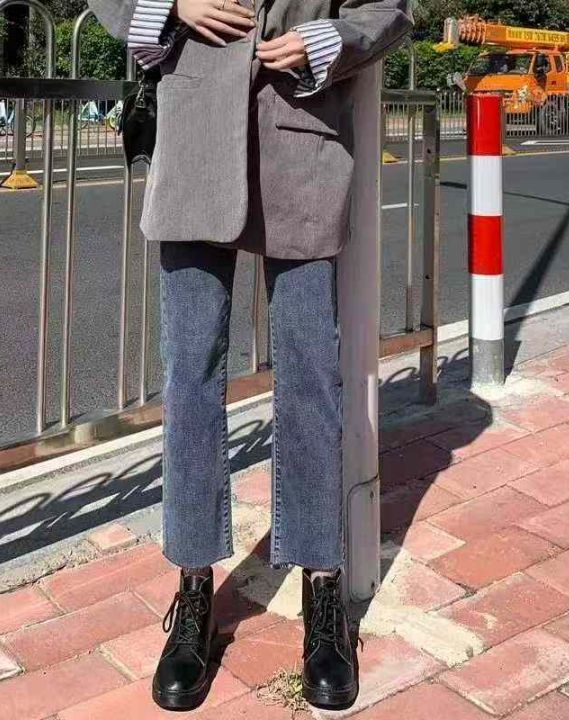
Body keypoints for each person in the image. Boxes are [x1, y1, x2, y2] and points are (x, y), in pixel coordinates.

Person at [88, 0, 412, 711]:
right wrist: (171, 7)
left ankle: (322, 588)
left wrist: (325, 41)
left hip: (301, 141)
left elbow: (391, 9)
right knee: (190, 373)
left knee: (311, 376)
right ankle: (194, 586)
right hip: (194, 143)